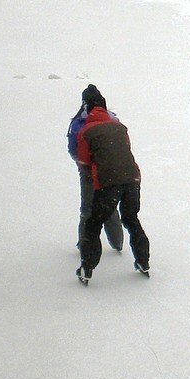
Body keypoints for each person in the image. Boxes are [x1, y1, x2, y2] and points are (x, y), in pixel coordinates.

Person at [74, 88, 150, 285]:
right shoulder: (120, 127)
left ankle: (87, 267)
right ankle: (143, 261)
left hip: (108, 183)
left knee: (93, 224)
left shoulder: (85, 130)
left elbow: (83, 161)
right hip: (132, 179)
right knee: (132, 219)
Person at [68, 85, 123, 253]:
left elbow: (73, 150)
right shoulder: (112, 119)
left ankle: (84, 244)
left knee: (87, 209)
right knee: (111, 208)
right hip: (110, 171)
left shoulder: (78, 123)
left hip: (88, 173)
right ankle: (117, 243)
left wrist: (84, 162)